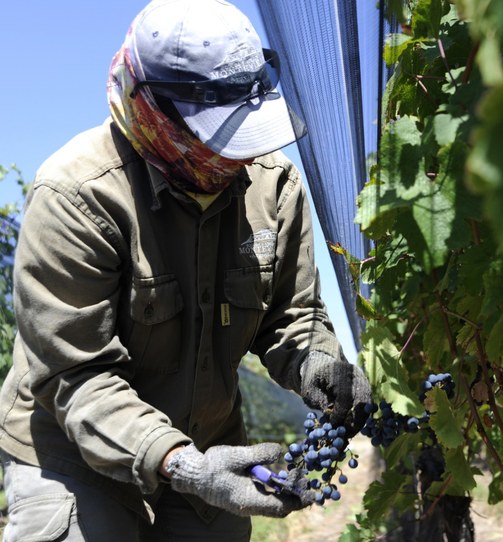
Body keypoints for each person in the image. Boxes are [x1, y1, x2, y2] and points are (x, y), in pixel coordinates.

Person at [0, 0, 371, 539]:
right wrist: (183, 464)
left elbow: (292, 315)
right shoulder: (76, 196)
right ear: (150, 109)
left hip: (210, 439)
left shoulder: (274, 187)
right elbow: (76, 375)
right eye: (217, 136)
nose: (238, 158)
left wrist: (315, 360)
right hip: (71, 445)